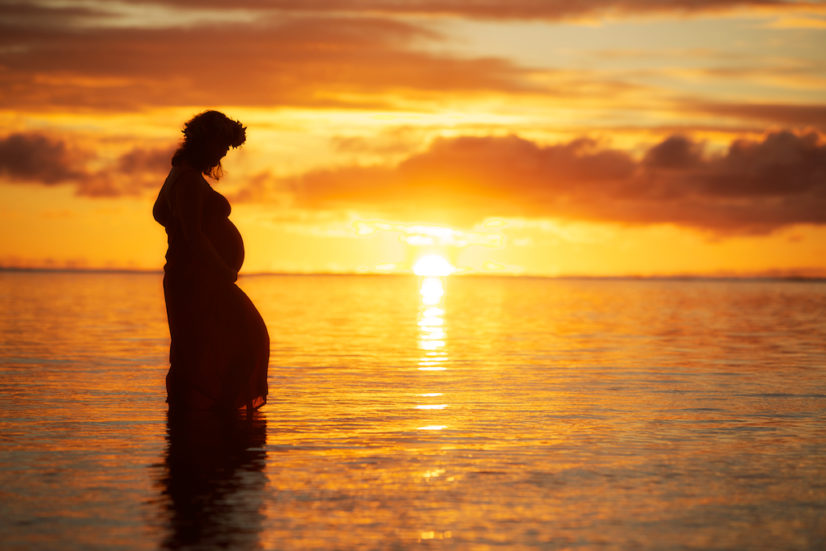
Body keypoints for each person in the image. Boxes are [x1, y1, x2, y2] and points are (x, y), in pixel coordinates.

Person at [153, 111, 268, 412]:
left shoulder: (180, 175)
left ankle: (210, 414)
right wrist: (224, 270)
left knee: (211, 345)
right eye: (222, 146)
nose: (223, 154)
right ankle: (211, 412)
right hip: (197, 279)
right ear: (206, 142)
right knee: (242, 340)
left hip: (198, 277)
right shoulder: (188, 181)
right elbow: (192, 235)